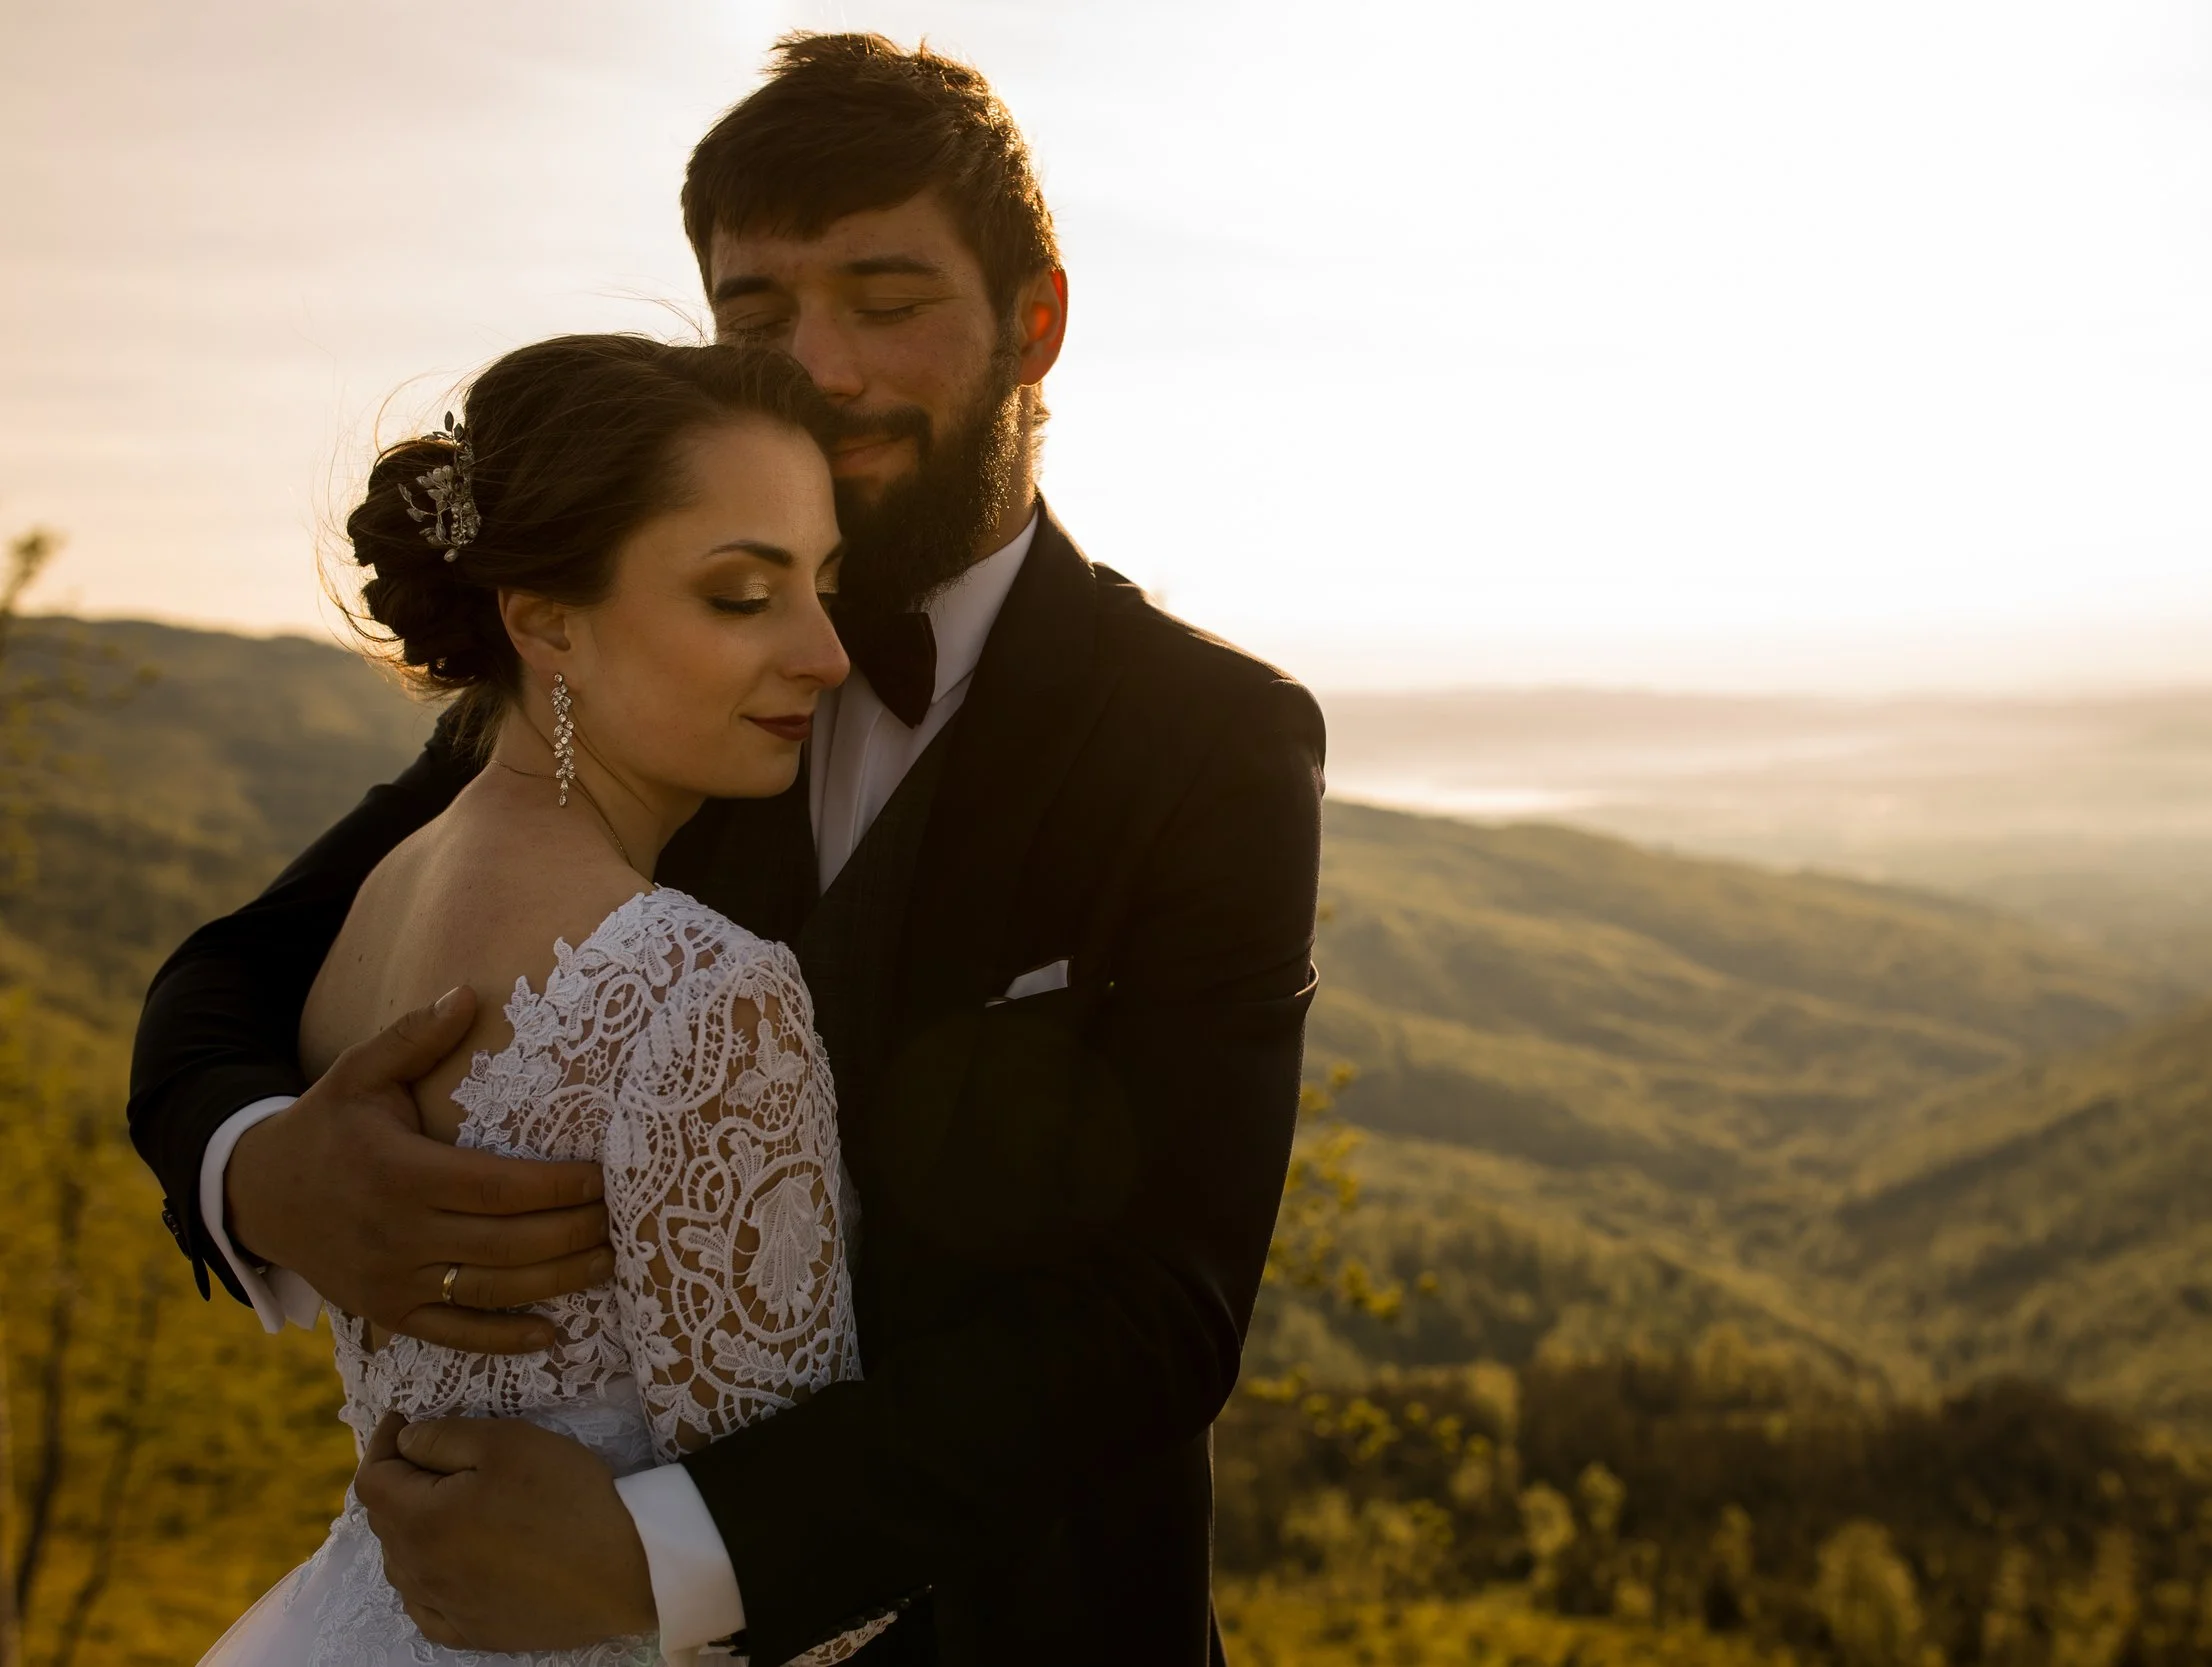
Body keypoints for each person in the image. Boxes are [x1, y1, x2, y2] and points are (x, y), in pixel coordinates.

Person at [129, 32, 1325, 1667]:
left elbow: (1161, 1309)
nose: (819, 368)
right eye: (759, 314)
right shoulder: (617, 662)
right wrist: (262, 1169)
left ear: (1034, 323)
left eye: (885, 299)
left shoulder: (1214, 742)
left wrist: (662, 1556)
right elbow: (237, 968)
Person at [199, 333, 891, 1666]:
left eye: (826, 582)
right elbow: (806, 1609)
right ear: (545, 619)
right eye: (745, 594)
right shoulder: (701, 989)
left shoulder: (380, 900)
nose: (826, 651)